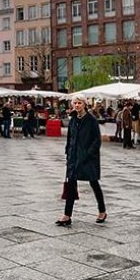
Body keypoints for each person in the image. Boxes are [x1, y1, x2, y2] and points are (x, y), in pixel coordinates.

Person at [57, 96, 107, 226]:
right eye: (75, 103)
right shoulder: (73, 119)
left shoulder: (91, 120)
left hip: (88, 158)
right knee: (71, 185)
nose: (77, 105)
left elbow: (97, 140)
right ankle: (67, 215)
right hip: (73, 156)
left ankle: (102, 211)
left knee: (94, 183)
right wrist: (68, 151)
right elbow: (70, 137)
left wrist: (87, 154)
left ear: (84, 104)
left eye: (79, 103)